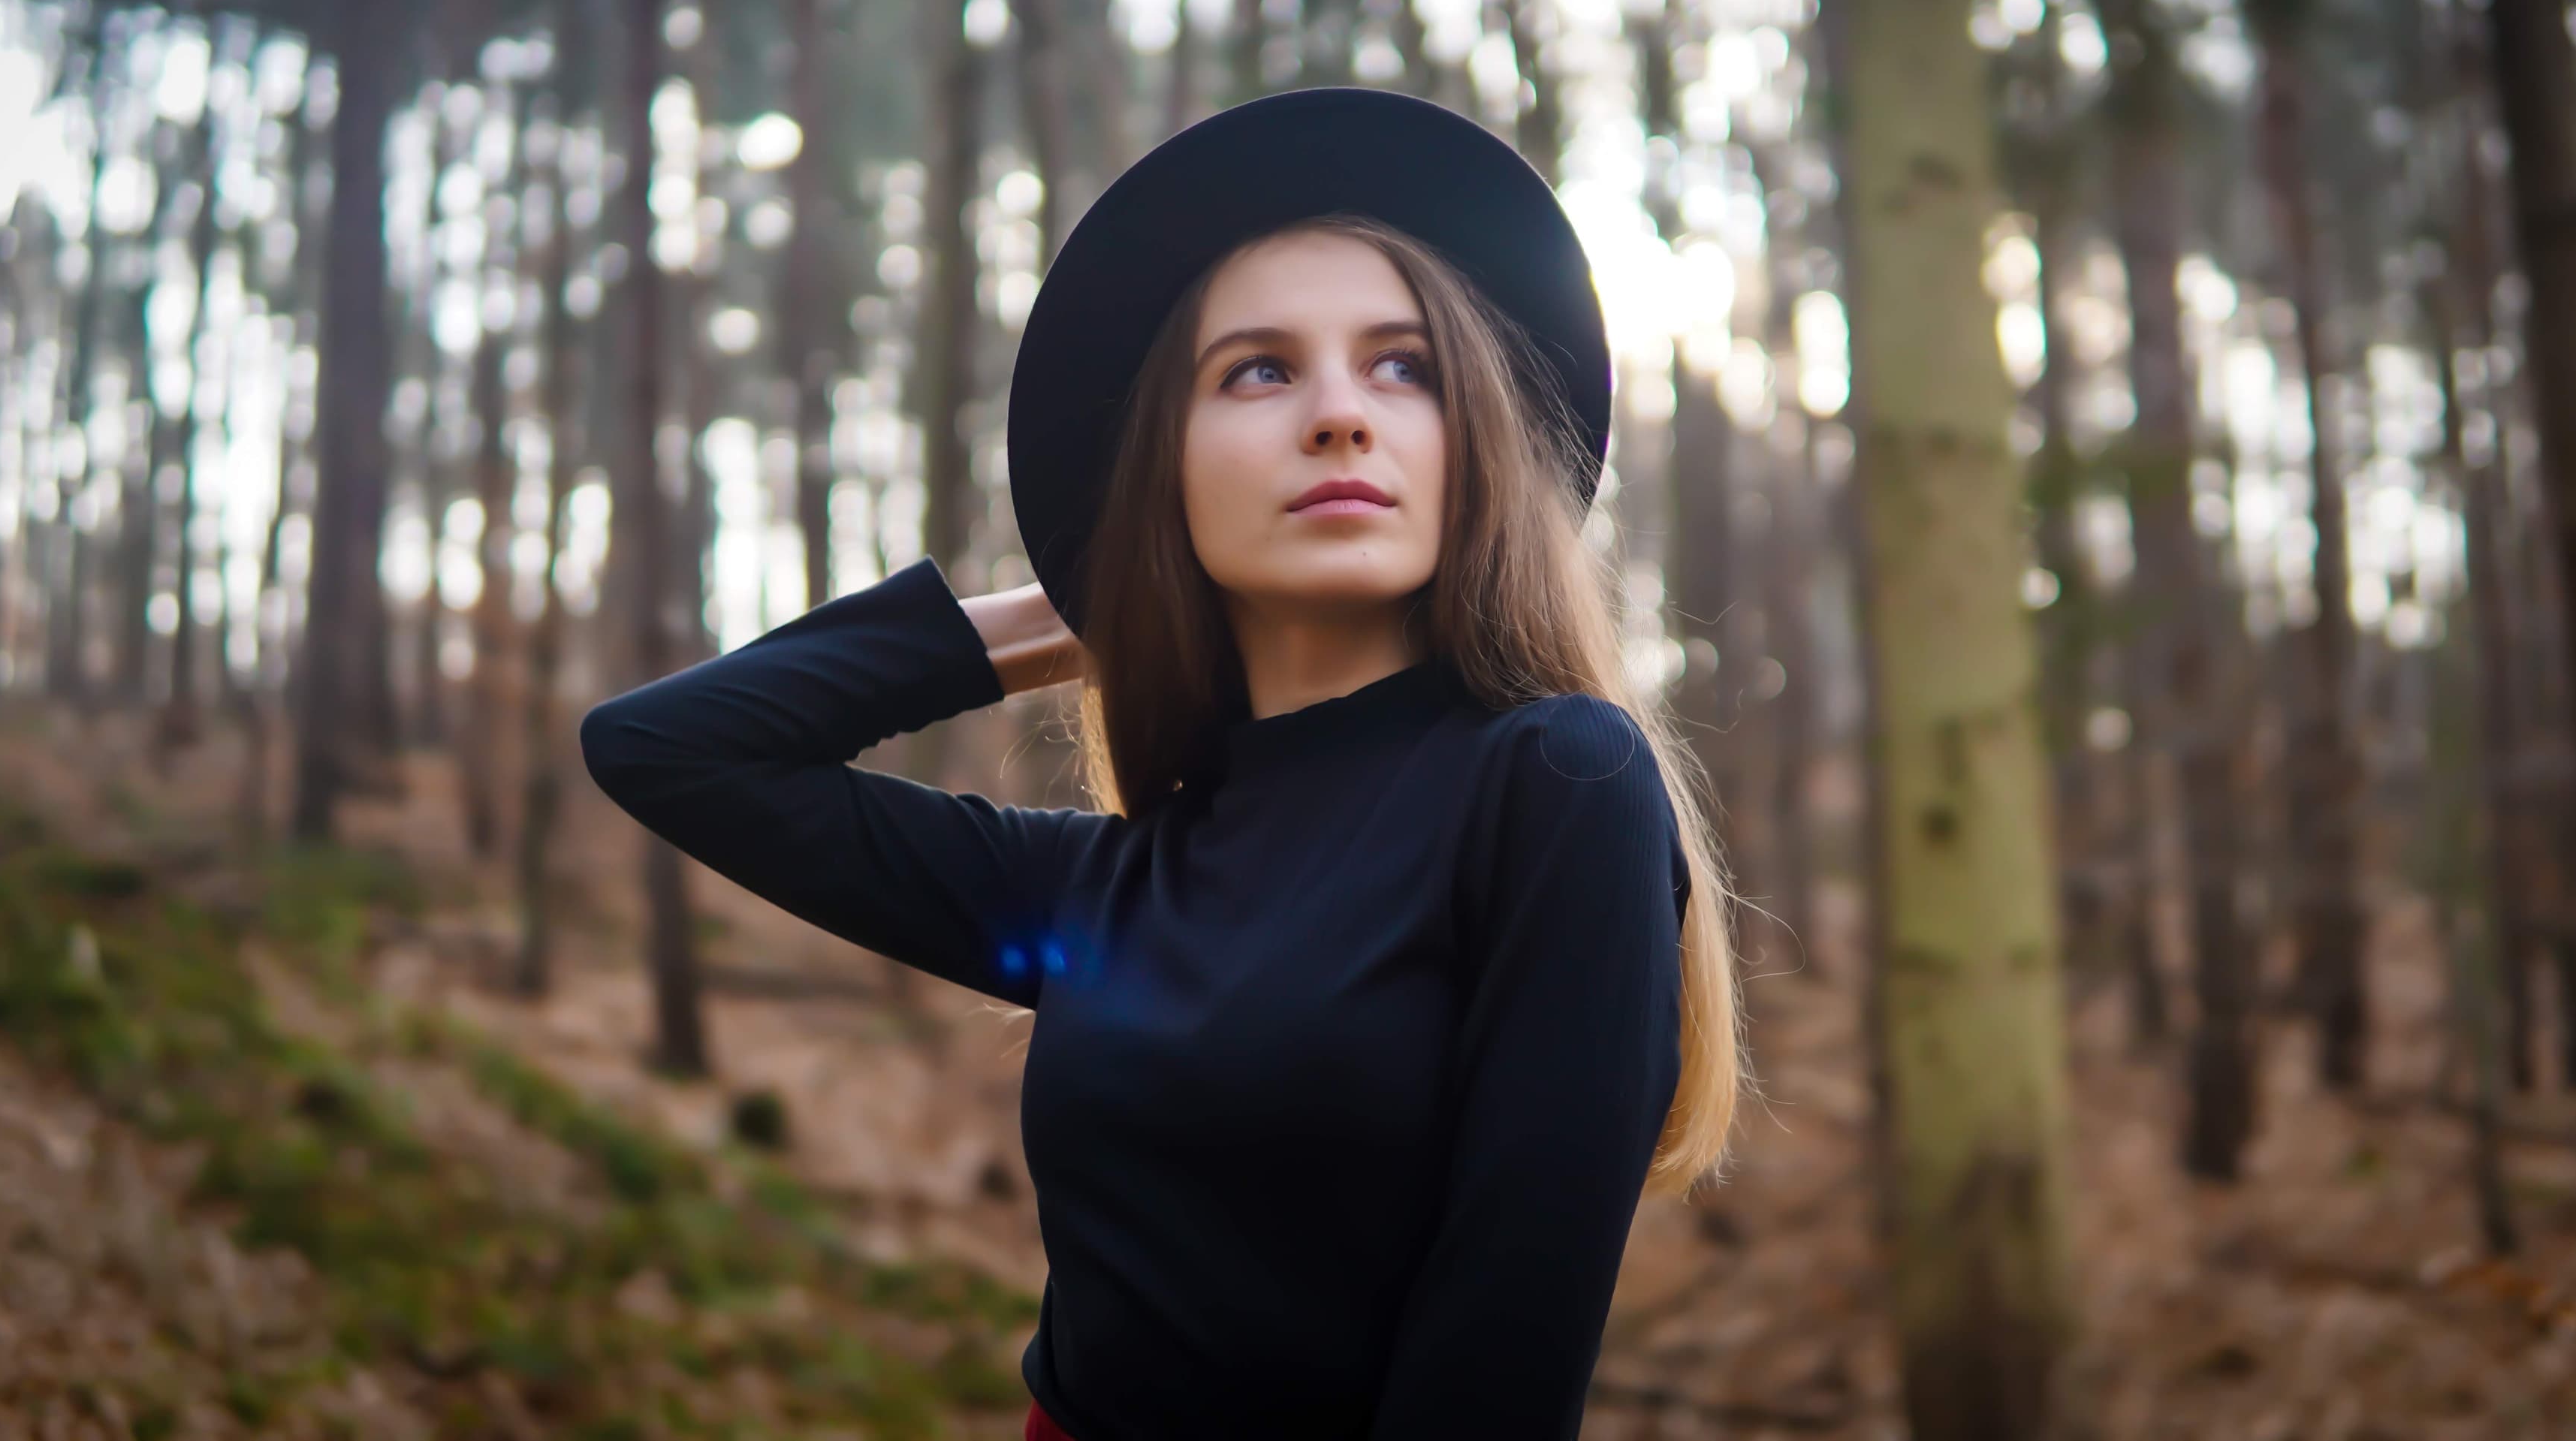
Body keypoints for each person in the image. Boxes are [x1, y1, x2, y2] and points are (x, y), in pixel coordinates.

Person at [581, 87, 1748, 1440]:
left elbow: (1502, 1367)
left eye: (1403, 365)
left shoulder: (1556, 782)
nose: (1338, 415)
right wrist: (1084, 602)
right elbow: (664, 747)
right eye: (1259, 369)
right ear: (1170, 469)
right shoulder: (1106, 889)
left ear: (1472, 440)